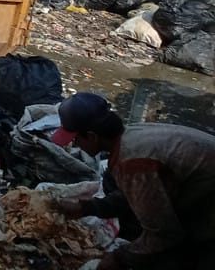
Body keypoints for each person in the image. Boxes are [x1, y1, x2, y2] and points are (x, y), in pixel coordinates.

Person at [50, 92, 215, 269]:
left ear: (91, 136)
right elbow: (135, 196)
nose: (75, 146)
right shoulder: (131, 135)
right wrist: (87, 208)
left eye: (76, 140)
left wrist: (118, 258)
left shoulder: (133, 163)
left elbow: (164, 235)